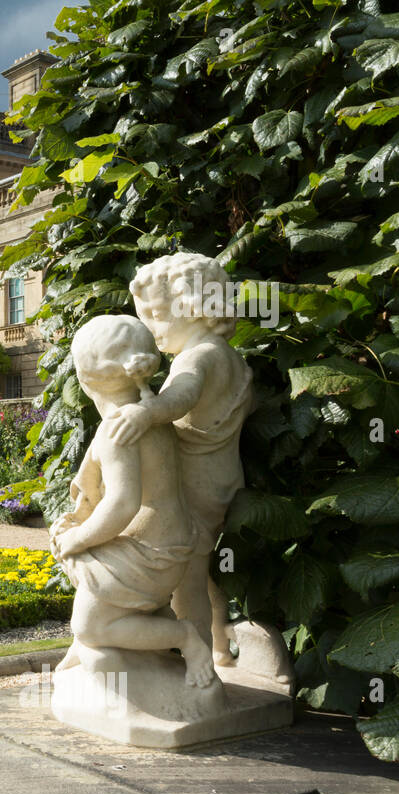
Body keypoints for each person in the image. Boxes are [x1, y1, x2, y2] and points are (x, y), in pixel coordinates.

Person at [105, 253, 290, 683]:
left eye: (156, 314)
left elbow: (182, 398)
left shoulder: (198, 358)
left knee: (185, 575)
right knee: (206, 575)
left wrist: (145, 413)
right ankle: (221, 649)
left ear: (193, 305)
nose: (151, 327)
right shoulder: (230, 358)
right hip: (222, 480)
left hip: (189, 484)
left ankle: (199, 662)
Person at [50, 314, 213, 687]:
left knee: (88, 620)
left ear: (86, 380)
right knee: (72, 537)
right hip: (169, 543)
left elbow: (122, 505)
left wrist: (78, 538)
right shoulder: (149, 415)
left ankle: (184, 637)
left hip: (151, 554)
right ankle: (120, 634)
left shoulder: (116, 430)